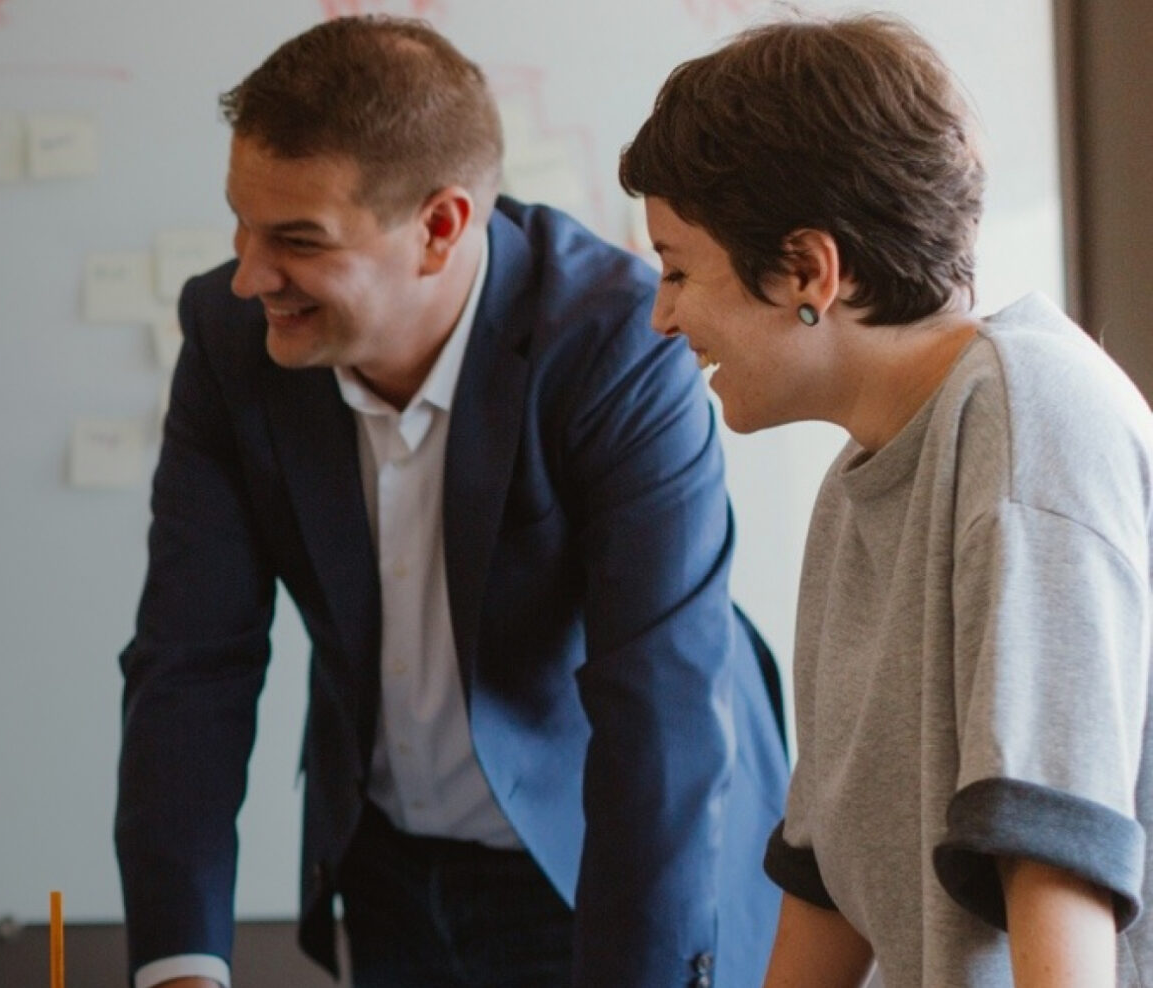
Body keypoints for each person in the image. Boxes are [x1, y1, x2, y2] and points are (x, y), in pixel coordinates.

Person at [114, 15, 790, 988]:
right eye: (242, 225)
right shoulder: (228, 342)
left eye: (297, 241)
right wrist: (180, 966)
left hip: (600, 864)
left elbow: (662, 717)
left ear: (439, 227)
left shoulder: (615, 346)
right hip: (387, 867)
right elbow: (190, 665)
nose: (250, 274)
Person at [621, 15, 1153, 985]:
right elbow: (825, 883)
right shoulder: (857, 483)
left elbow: (1057, 869)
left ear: (807, 271)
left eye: (676, 268)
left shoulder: (1033, 421)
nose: (661, 315)